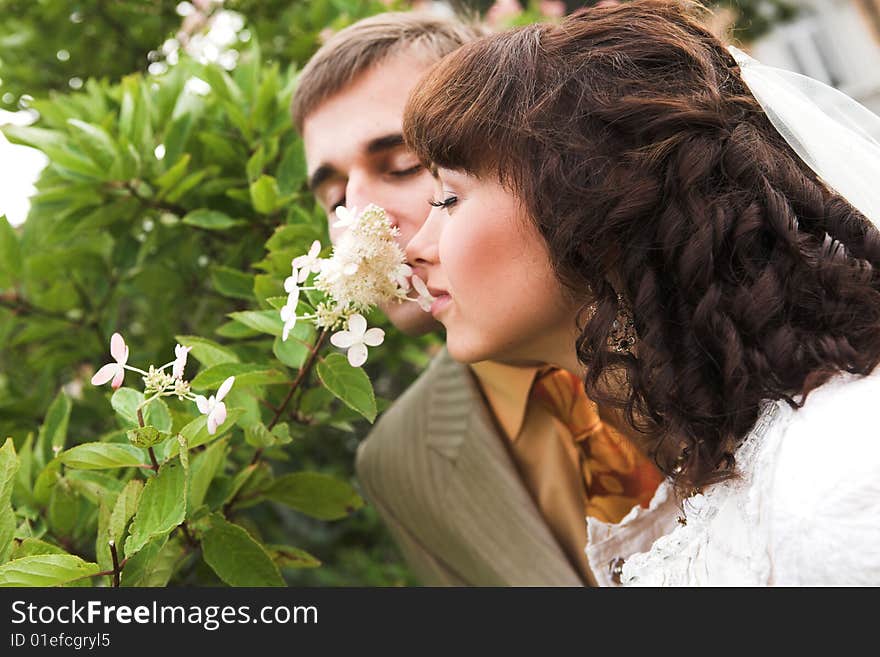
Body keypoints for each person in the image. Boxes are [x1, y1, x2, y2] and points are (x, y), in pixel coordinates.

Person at [402, 0, 880, 585]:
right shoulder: (721, 470)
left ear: (590, 214)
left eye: (449, 198)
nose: (416, 247)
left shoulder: (837, 481)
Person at [291, 11, 662, 586]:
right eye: (336, 197)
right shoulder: (401, 464)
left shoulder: (708, 307)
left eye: (404, 165)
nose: (363, 221)